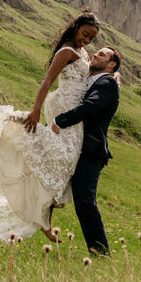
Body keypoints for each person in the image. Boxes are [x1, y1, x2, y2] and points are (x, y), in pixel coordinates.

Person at [0, 8, 101, 242]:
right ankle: (19, 120)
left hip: (75, 113)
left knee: (63, 163)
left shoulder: (83, 51)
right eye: (85, 34)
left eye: (91, 38)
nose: (86, 40)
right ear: (76, 27)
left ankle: (45, 217)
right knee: (62, 159)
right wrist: (36, 109)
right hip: (65, 107)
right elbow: (47, 80)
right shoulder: (66, 50)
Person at [51, 45, 122, 256]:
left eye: (102, 54)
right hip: (77, 145)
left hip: (92, 150)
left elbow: (91, 107)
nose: (95, 54)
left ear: (111, 65)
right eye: (96, 52)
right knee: (80, 200)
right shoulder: (92, 79)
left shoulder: (108, 83)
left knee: (85, 202)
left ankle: (101, 252)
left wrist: (60, 120)